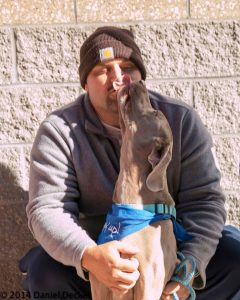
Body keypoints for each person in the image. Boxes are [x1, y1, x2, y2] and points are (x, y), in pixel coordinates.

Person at [19, 26, 240, 300]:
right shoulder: (60, 131)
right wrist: (89, 256)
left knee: (235, 259)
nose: (117, 78)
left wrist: (188, 270)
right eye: (102, 70)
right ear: (85, 84)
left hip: (171, 249)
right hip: (98, 256)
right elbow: (47, 209)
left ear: (141, 77)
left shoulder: (179, 120)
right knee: (44, 273)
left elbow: (205, 201)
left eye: (126, 67)